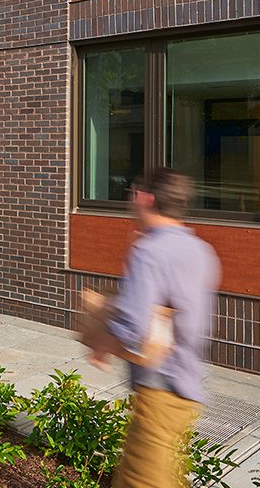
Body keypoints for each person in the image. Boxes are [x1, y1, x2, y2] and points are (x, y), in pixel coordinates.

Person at [79, 169, 220, 488]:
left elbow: (134, 328)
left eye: (133, 193)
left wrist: (101, 337)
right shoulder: (201, 250)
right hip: (187, 391)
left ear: (146, 199)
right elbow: (182, 317)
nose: (130, 200)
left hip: (160, 392)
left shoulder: (150, 251)